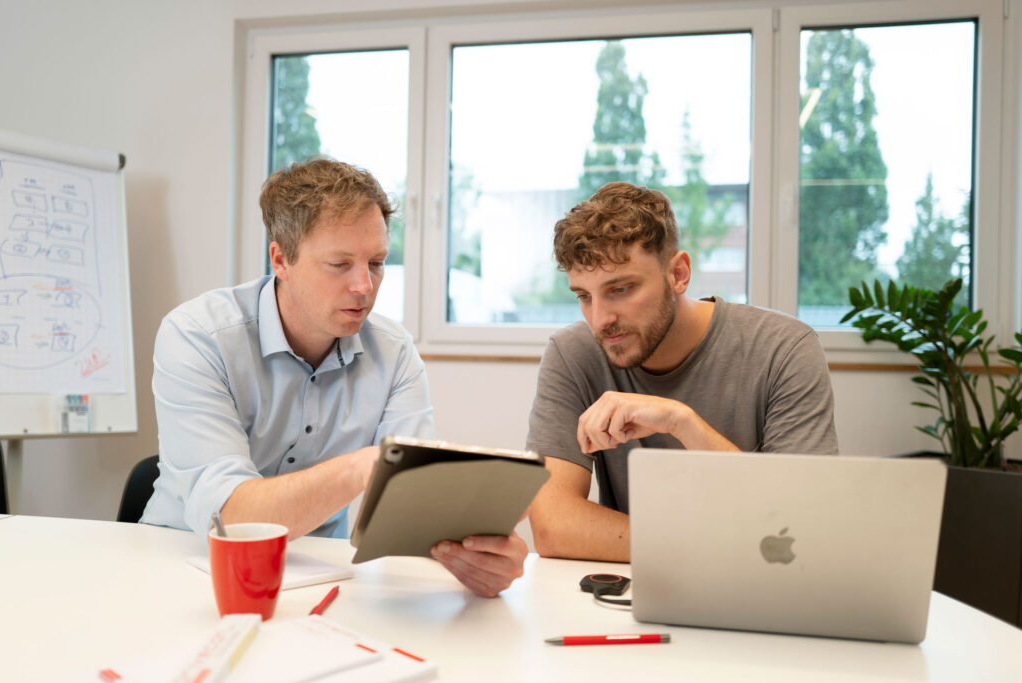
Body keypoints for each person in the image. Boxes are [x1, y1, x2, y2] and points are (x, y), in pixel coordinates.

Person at [142, 157, 525, 597]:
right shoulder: (197, 337)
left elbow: (417, 507)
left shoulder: (394, 352)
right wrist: (366, 467)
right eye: (340, 264)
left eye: (377, 262)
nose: (364, 286)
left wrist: (477, 554)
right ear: (281, 259)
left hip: (319, 574)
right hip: (180, 567)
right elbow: (231, 519)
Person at [526, 182, 838, 562]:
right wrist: (713, 545)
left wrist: (681, 421)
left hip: (763, 593)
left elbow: (804, 522)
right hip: (639, 593)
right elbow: (553, 524)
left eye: (621, 289)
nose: (600, 319)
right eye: (584, 296)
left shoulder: (784, 348)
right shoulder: (573, 353)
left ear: (678, 274)